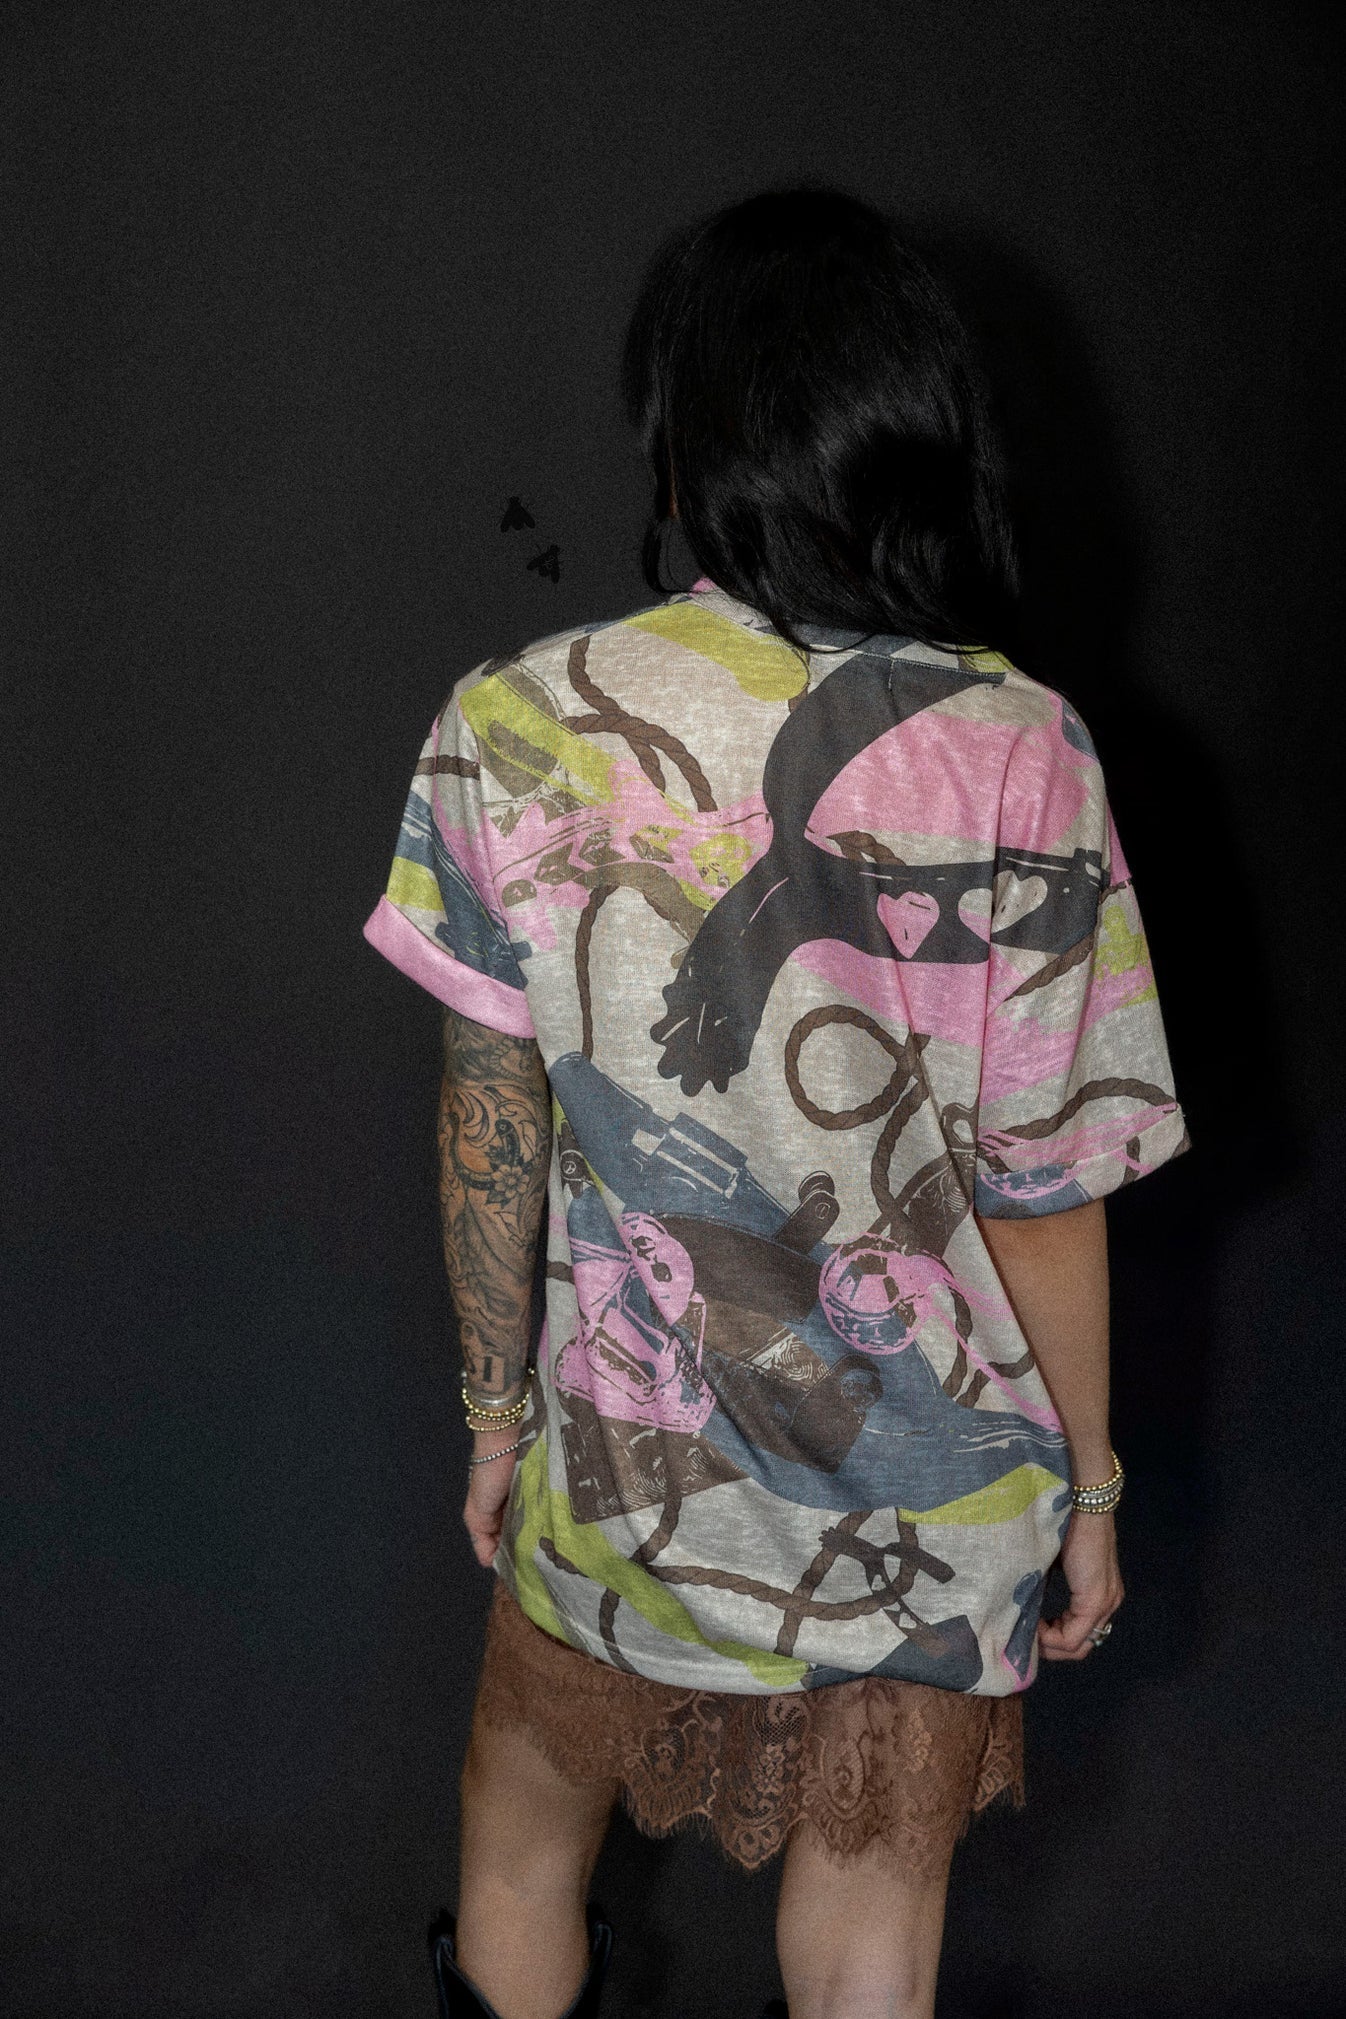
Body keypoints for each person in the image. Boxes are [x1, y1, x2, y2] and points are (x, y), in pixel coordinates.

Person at [363, 182, 1192, 2019]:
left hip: (623, 1466)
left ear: (687, 439)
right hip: (935, 1486)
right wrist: (1088, 1488)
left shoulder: (514, 718)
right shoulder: (1020, 749)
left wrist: (495, 1417)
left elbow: (488, 1115)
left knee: (520, 1834)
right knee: (871, 1927)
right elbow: (1046, 1186)